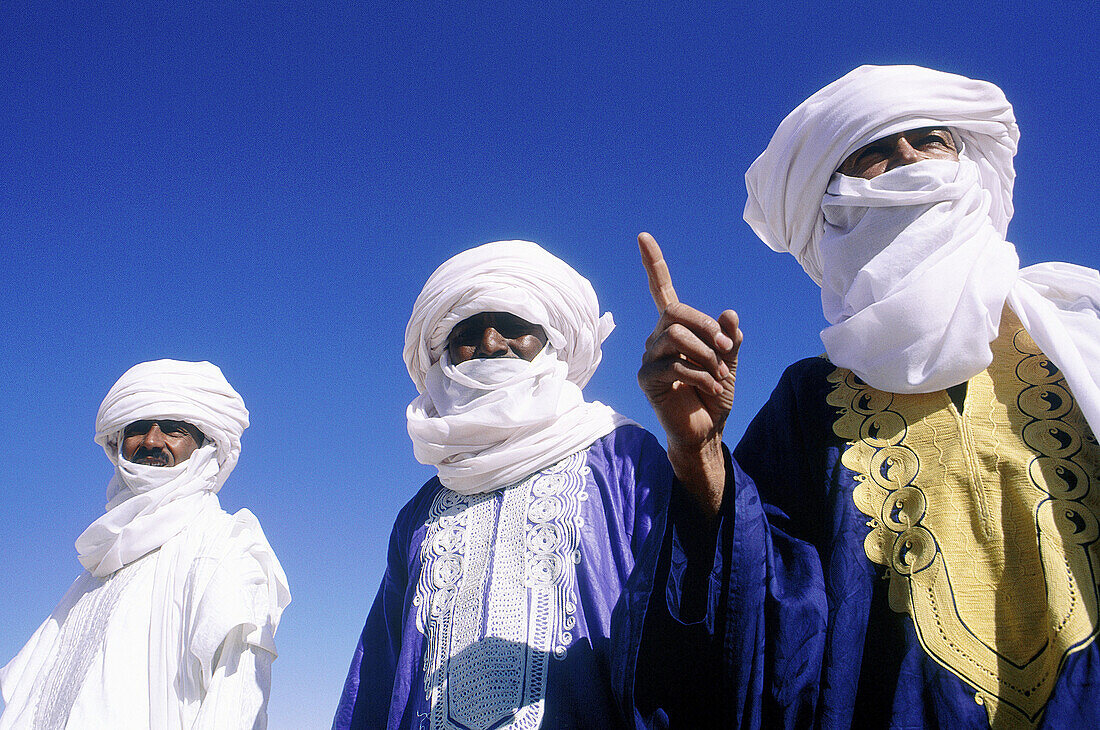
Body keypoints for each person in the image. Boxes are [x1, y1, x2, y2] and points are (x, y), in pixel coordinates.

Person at [636, 65, 1100, 728]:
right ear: (834, 206)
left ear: (969, 166)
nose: (908, 161)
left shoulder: (1082, 341)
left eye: (930, 140)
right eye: (873, 153)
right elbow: (760, 603)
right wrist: (699, 451)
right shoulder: (809, 400)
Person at [333, 240, 731, 729]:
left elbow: (709, 597)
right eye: (468, 331)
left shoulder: (623, 457)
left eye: (516, 327)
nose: (493, 343)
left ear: (552, 344)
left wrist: (701, 454)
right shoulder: (419, 515)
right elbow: (377, 680)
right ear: (442, 356)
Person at [0, 359, 291, 730]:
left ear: (205, 445)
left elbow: (234, 703)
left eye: (173, 429)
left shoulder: (226, 544)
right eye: (138, 428)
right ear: (118, 443)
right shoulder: (99, 565)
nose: (152, 441)